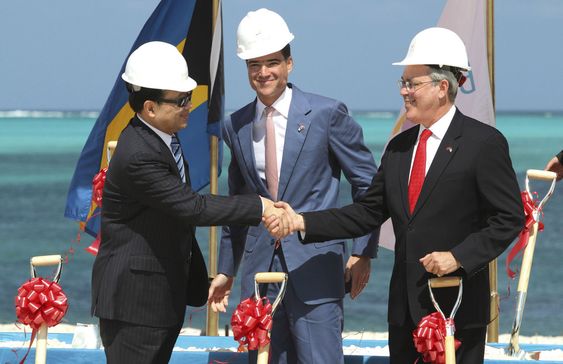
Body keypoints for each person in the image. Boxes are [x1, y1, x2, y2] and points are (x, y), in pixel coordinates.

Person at [268, 27, 525, 363]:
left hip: (455, 311)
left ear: (442, 87)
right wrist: (301, 221)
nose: (404, 92)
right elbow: (366, 213)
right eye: (402, 83)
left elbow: (508, 219)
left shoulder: (483, 144)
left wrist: (458, 257)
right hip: (404, 314)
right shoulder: (399, 148)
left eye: (411, 83)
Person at [90, 41, 288, 364]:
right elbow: (192, 207)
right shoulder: (139, 153)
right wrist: (260, 206)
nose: (188, 106)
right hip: (135, 307)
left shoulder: (162, 136)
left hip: (159, 301)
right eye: (181, 100)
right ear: (150, 107)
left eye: (189, 97)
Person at [207, 8, 379, 364]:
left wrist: (363, 252)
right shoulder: (234, 126)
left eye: (272, 62)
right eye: (254, 64)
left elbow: (369, 186)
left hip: (316, 269)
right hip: (258, 278)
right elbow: (237, 205)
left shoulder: (327, 114)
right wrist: (226, 269)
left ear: (289, 64)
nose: (263, 72)